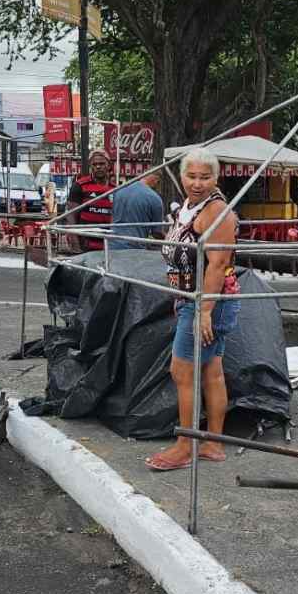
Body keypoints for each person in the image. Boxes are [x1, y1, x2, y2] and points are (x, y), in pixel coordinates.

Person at [146, 148, 241, 471]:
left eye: (205, 177)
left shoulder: (216, 211)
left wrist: (204, 310)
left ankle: (186, 445)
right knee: (211, 370)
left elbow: (218, 265)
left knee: (182, 371)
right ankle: (213, 444)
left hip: (206, 301)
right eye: (191, 176)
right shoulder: (189, 207)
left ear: (216, 178)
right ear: (182, 176)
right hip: (191, 298)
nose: (197, 183)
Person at [65, 150, 115, 252]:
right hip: (86, 245)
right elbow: (70, 217)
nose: (98, 167)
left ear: (108, 165)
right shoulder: (80, 186)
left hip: (108, 245)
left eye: (101, 164)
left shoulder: (115, 189)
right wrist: (76, 246)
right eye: (94, 164)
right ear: (91, 166)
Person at [109, 171, 163, 249]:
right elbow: (157, 233)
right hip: (134, 248)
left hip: (112, 245)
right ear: (156, 180)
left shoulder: (119, 191)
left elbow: (113, 218)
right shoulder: (155, 198)